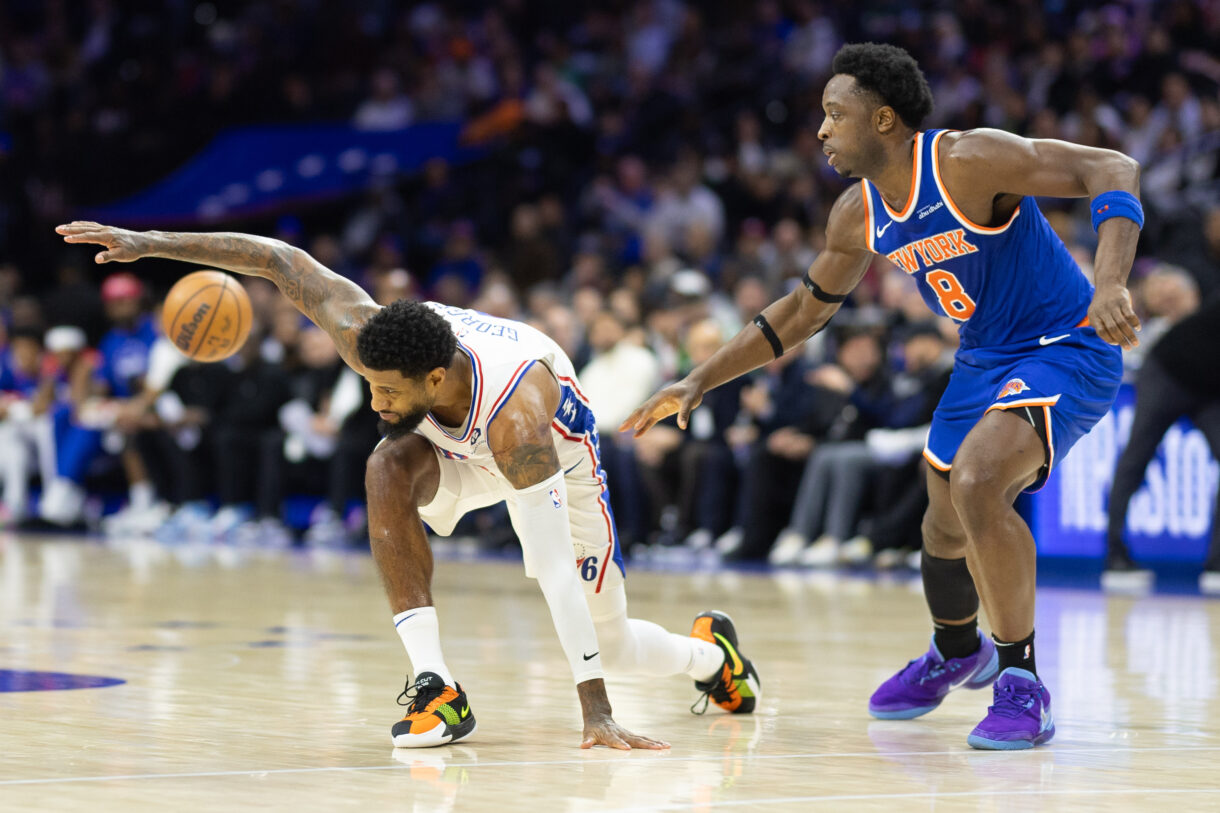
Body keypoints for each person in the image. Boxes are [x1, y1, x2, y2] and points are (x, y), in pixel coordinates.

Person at [57, 220, 762, 751]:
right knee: (383, 463)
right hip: (456, 437)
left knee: (613, 646)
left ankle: (713, 654)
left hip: (556, 466)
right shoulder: (372, 338)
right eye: (370, 385)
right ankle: (439, 687)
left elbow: (550, 569)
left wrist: (596, 709)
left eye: (386, 392)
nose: (373, 403)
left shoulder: (518, 421)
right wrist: (150, 241)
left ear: (433, 379)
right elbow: (277, 261)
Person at [623, 42, 1143, 751]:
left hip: (1067, 342)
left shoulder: (965, 160)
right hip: (983, 357)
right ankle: (957, 650)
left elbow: (1113, 168)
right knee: (941, 526)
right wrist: (697, 378)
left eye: (836, 114)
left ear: (886, 121)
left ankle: (1022, 681)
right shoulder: (856, 213)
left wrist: (1110, 282)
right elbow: (803, 312)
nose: (822, 131)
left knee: (981, 480)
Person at [1104, 295, 1220, 593]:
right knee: (1137, 456)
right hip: (1168, 370)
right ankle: (1115, 556)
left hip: (1208, 389)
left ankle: (1216, 564)